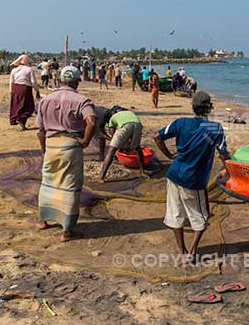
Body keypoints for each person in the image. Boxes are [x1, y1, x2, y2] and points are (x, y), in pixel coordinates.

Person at [154, 91, 230, 262]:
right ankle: (192, 251)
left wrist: (168, 155)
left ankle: (183, 251)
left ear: (193, 107)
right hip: (193, 180)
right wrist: (232, 173)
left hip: (174, 174)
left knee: (175, 214)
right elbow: (224, 155)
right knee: (201, 216)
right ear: (209, 107)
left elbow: (157, 136)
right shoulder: (214, 128)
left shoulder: (181, 123)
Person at [34, 66, 96, 242]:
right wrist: (85, 141)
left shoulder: (46, 100)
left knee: (48, 181)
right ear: (76, 81)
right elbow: (92, 121)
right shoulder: (82, 100)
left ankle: (42, 220)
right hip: (70, 146)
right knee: (70, 186)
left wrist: (44, 149)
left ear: (59, 80)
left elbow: (40, 130)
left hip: (51, 145)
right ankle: (67, 231)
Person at [100, 107, 147, 181]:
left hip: (126, 126)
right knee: (137, 148)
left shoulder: (113, 117)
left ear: (113, 112)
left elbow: (113, 134)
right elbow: (130, 129)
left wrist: (117, 145)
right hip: (138, 125)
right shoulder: (130, 113)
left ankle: (101, 177)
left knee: (111, 150)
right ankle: (142, 170)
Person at [9, 54, 41, 131]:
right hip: (25, 88)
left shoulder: (14, 70)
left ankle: (21, 124)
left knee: (17, 105)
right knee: (28, 106)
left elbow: (11, 82)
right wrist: (37, 90)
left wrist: (11, 92)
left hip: (15, 88)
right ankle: (21, 119)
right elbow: (33, 82)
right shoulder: (29, 69)